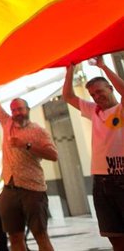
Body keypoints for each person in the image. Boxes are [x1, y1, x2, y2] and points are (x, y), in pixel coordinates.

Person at [62, 56, 124, 250]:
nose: (96, 96)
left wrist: (103, 66)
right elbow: (68, 97)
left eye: (99, 91)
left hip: (122, 177)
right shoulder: (93, 110)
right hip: (100, 181)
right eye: (93, 94)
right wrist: (70, 70)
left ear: (110, 89)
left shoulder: (121, 108)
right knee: (113, 234)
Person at [0, 88, 58, 251]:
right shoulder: (7, 122)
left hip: (33, 190)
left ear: (28, 110)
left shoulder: (39, 131)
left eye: (20, 109)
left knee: (41, 236)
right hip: (9, 189)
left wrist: (27, 145)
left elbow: (53, 155)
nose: (16, 112)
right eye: (13, 109)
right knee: (15, 237)